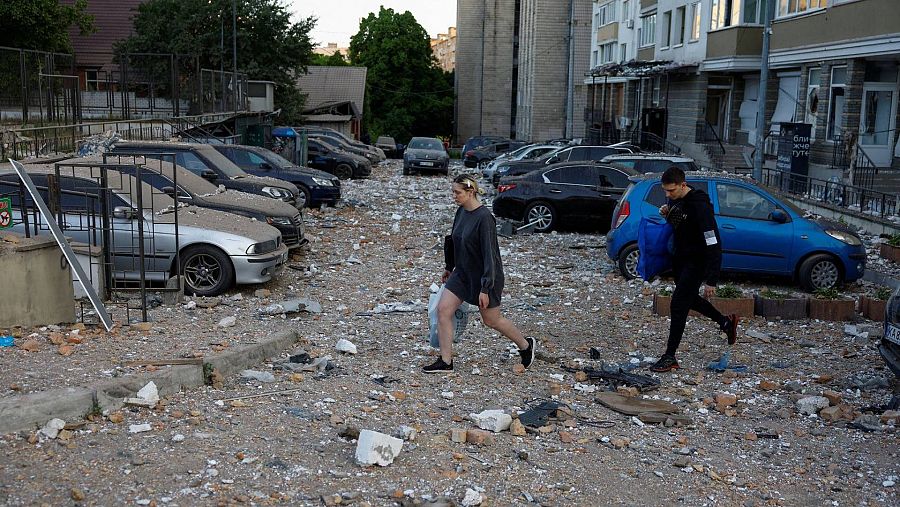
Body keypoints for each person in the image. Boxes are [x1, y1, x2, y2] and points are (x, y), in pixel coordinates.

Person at [422, 174, 537, 373]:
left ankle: (526, 346)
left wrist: (485, 287)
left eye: (457, 192)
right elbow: (454, 240)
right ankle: (446, 361)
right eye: (453, 192)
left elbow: (490, 256)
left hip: (485, 276)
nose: (454, 196)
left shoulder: (485, 218)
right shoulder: (461, 212)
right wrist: (449, 267)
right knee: (443, 309)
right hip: (462, 273)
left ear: (470, 192)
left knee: (491, 320)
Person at [651, 167, 738, 372]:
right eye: (665, 191)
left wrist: (711, 280)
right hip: (680, 260)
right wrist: (667, 213)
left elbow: (713, 242)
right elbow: (681, 226)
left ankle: (670, 356)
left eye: (671, 191)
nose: (667, 195)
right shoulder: (675, 199)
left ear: (683, 185)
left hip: (697, 262)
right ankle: (726, 323)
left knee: (678, 305)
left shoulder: (700, 206)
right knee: (689, 299)